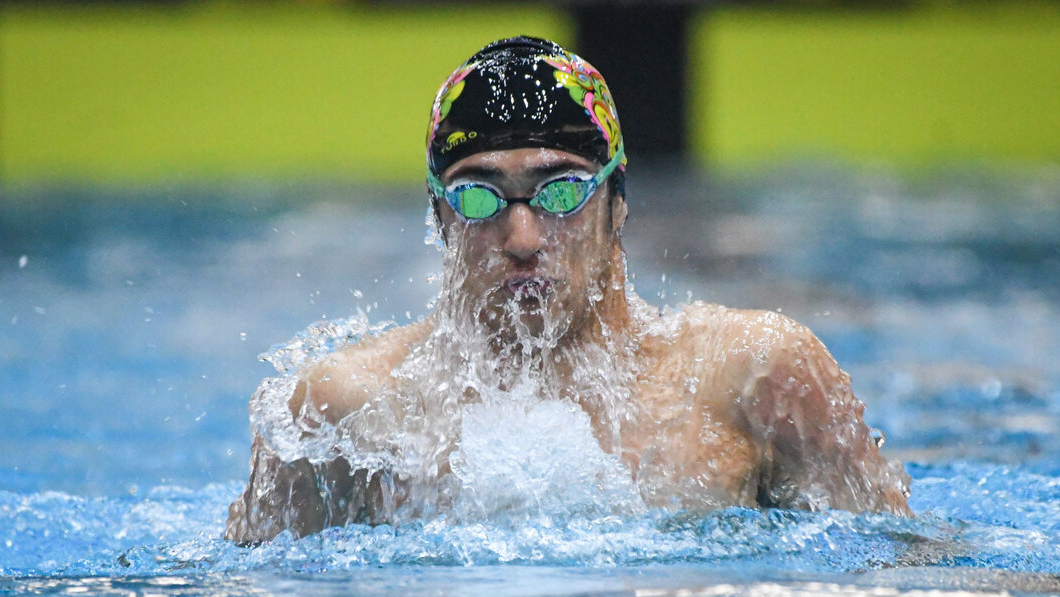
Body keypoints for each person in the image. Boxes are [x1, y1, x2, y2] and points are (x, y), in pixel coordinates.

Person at [226, 36, 910, 544]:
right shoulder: (340, 409)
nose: (522, 236)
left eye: (560, 191)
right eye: (478, 197)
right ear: (438, 215)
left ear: (617, 202)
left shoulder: (753, 375)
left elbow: (901, 573)